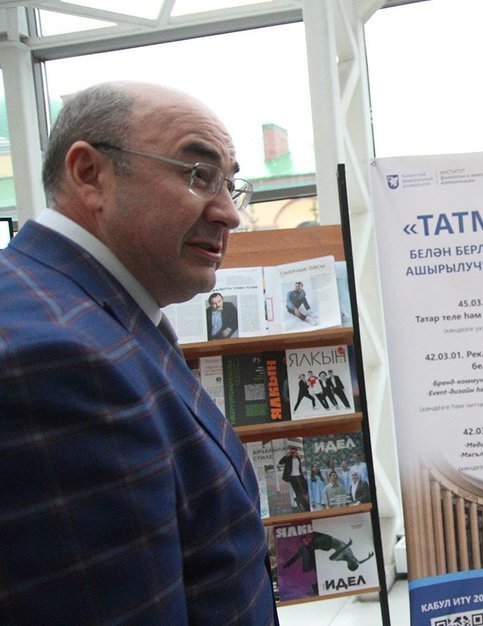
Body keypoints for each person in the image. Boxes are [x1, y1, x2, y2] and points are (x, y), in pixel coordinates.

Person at [0, 81, 276, 623]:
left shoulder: (85, 308)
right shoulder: (57, 363)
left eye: (230, 184)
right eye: (198, 174)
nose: (230, 213)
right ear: (90, 174)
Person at [278, 446, 310, 511]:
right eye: (291, 452)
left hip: (299, 475)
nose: (292, 453)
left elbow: (300, 467)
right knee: (299, 491)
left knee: (305, 488)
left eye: (293, 452)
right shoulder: (288, 458)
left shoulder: (298, 458)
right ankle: (305, 506)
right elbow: (280, 462)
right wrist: (285, 456)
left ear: (296, 452)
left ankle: (299, 502)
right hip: (293, 477)